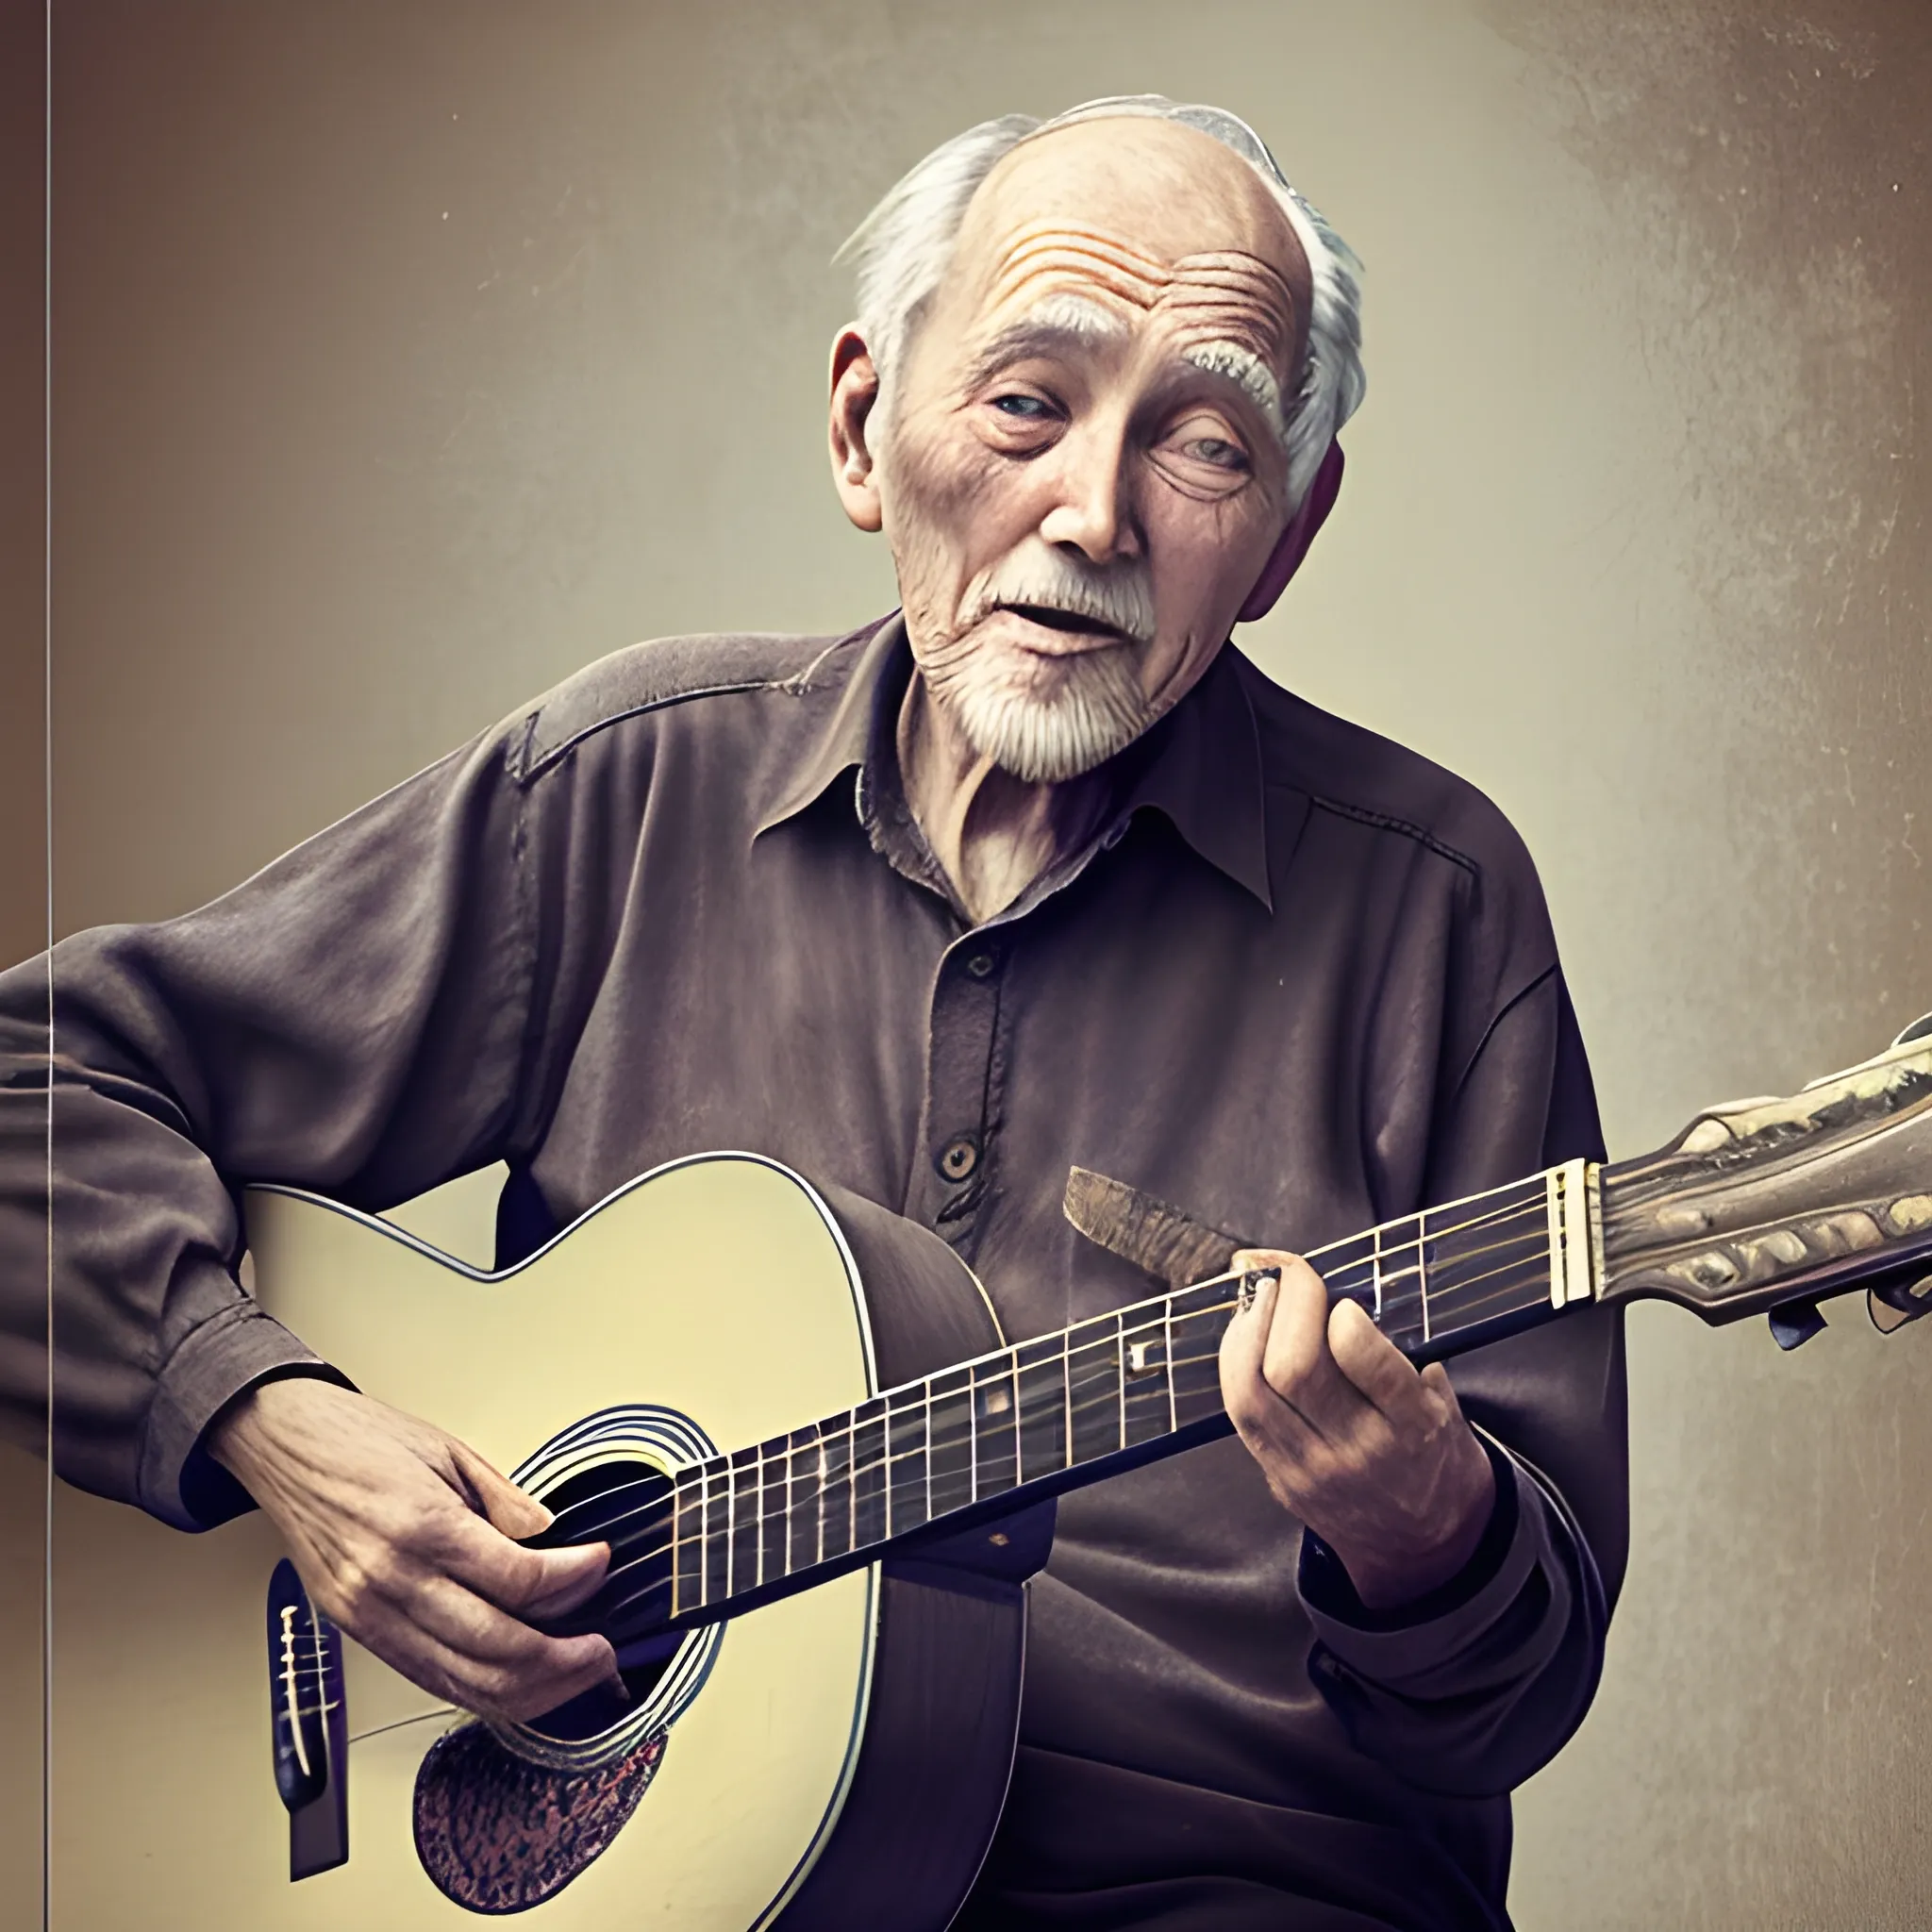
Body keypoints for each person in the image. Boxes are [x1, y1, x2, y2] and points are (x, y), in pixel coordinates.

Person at [0, 97, 1625, 1929]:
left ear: (1286, 532)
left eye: (1203, 443)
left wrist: (1422, 1530)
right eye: (1027, 402)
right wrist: (276, 1419)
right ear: (865, 425)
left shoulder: (1436, 900)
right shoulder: (626, 789)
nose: (1089, 513)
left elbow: (1516, 1693)